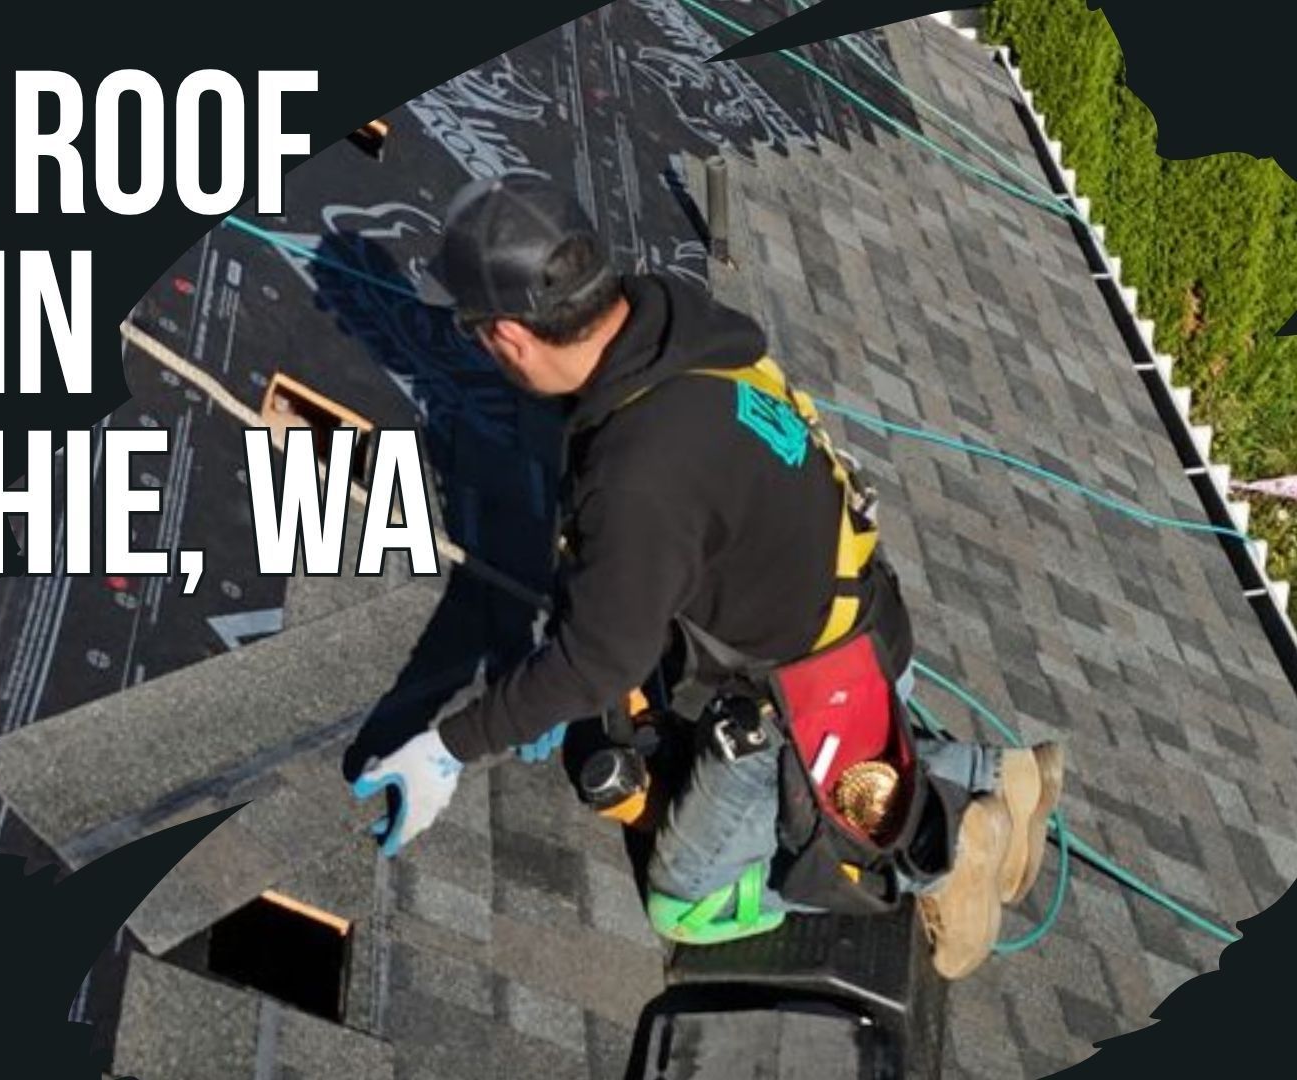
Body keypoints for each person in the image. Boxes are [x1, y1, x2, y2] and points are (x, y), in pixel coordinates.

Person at [350, 175, 1065, 979]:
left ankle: (937, 861)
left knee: (682, 902)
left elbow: (599, 662)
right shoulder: (677, 331)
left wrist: (452, 745)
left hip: (806, 700)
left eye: (478, 336)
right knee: (711, 714)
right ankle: (1002, 776)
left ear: (510, 336)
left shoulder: (638, 472)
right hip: (868, 628)